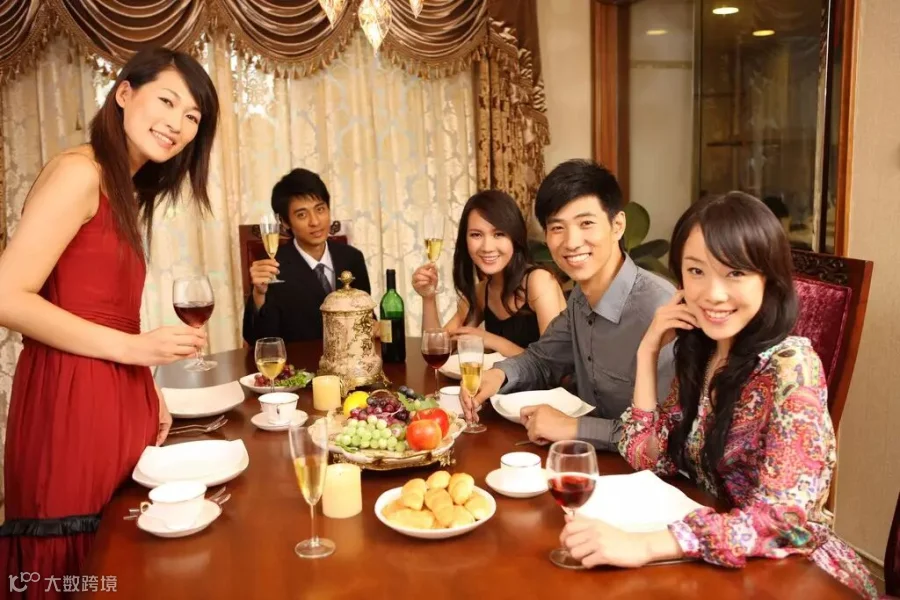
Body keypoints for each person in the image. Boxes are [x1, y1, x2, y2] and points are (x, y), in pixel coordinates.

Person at [558, 192, 878, 599]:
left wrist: (647, 545)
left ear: (768, 279)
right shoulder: (704, 351)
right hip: (713, 561)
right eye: (696, 271)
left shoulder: (792, 366)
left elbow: (784, 521)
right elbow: (646, 455)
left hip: (795, 574)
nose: (713, 294)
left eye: (735, 273)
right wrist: (647, 351)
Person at [0, 48, 218, 592]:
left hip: (111, 395)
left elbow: (105, 310)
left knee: (114, 561)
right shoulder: (80, 172)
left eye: (192, 116)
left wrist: (146, 385)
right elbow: (5, 296)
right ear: (124, 93)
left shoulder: (121, 187)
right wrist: (134, 351)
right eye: (166, 101)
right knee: (70, 569)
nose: (177, 123)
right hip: (69, 402)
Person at [462, 160, 676, 450]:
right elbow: (542, 359)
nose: (572, 242)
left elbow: (666, 435)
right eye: (557, 228)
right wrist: (497, 375)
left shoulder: (658, 309)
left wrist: (574, 428)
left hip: (648, 472)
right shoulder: (580, 297)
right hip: (585, 460)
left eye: (586, 223)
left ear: (617, 225)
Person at [411, 190, 566, 357]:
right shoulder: (481, 293)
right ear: (465, 240)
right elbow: (436, 349)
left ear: (515, 237)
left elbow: (554, 362)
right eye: (476, 235)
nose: (487, 247)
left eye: (498, 234)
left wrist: (492, 341)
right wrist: (428, 297)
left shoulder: (539, 281)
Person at [242, 168, 371, 345]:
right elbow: (258, 340)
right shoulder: (272, 267)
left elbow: (367, 319)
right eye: (302, 215)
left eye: (320, 209)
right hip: (299, 361)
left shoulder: (352, 258)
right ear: (285, 222)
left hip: (348, 359)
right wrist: (259, 295)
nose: (315, 221)